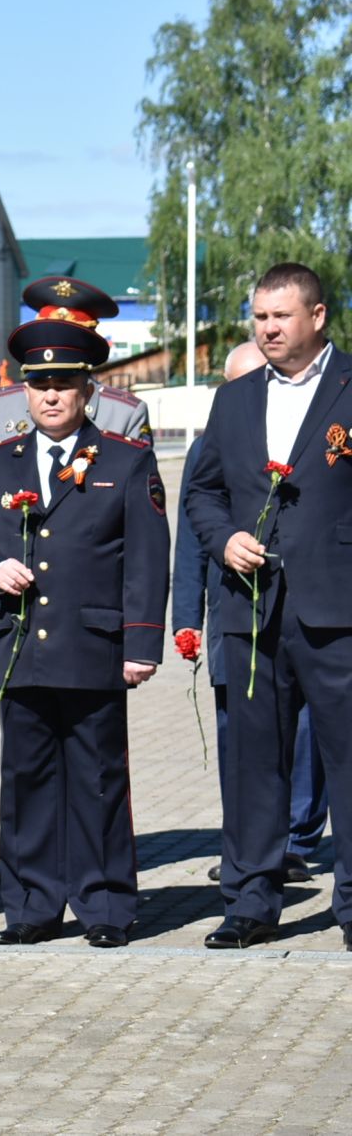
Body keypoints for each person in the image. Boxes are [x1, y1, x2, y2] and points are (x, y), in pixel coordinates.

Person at [0, 317, 166, 947]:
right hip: (22, 650)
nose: (50, 395)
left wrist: (142, 645)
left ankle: (105, 908)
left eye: (63, 383)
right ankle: (30, 908)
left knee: (99, 780)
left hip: (95, 648)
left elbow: (149, 559)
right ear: (24, 391)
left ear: (87, 391)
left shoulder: (126, 462)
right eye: (39, 383)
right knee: (26, 781)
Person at [184, 262, 352, 951]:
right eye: (259, 317)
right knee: (255, 761)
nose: (267, 328)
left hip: (336, 609)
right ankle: (251, 901)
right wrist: (224, 541)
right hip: (250, 609)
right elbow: (201, 492)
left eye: (280, 316)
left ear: (317, 317)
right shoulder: (235, 400)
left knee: (346, 759)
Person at [174, 340, 328, 888]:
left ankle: (298, 834)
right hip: (236, 614)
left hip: (313, 611)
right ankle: (248, 845)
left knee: (310, 733)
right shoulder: (214, 438)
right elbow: (191, 543)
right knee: (240, 738)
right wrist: (185, 619)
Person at [0, 277, 150, 512]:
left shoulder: (124, 413)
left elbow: (139, 503)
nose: (55, 346)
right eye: (47, 334)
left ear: (87, 346)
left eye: (69, 340)